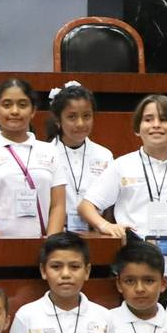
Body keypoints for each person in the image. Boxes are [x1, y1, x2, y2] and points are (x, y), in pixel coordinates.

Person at [78, 94, 167, 279]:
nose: (156, 125)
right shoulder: (121, 166)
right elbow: (86, 206)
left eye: (164, 119)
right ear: (137, 129)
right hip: (135, 268)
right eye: (148, 119)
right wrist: (105, 225)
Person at [0, 78, 66, 239]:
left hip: (43, 245)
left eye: (22, 105)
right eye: (7, 105)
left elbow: (58, 205)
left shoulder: (50, 151)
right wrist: (0, 243)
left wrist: (51, 243)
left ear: (33, 111)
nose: (14, 111)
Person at [47, 82, 112, 235]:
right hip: (57, 233)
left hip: (96, 232)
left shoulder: (105, 155)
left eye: (86, 116)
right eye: (72, 117)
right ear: (58, 120)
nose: (80, 123)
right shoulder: (46, 153)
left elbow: (110, 205)